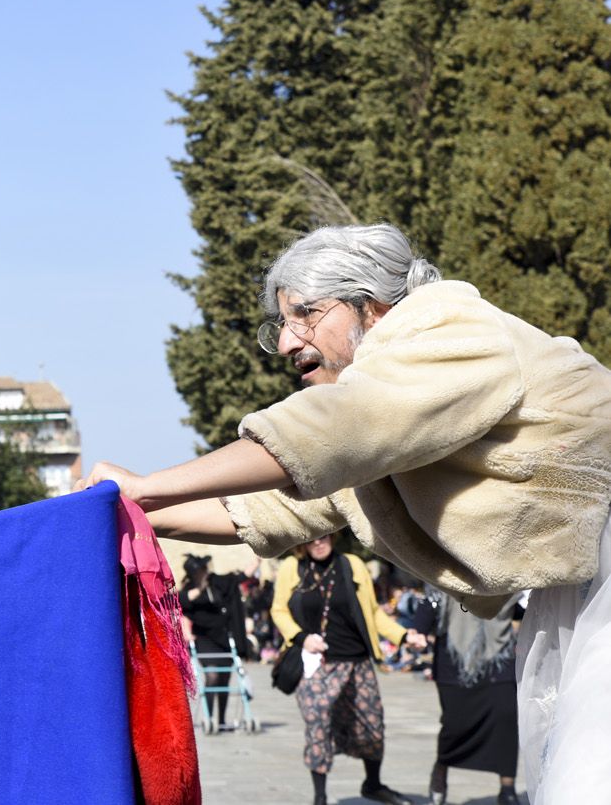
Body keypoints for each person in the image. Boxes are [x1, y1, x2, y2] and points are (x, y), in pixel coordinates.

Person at [84, 222, 611, 804]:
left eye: (305, 314)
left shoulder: (453, 328)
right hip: (576, 594)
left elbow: (333, 429)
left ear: (373, 303)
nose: (287, 343)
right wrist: (132, 512)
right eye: (282, 324)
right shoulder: (391, 415)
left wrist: (149, 485)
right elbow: (267, 509)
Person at [270, 533, 420, 804]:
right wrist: (303, 637)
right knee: (317, 723)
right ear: (302, 541)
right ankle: (320, 797)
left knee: (372, 725)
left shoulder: (351, 564)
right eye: (311, 537)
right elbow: (278, 611)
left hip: (357, 661)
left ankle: (372, 784)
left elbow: (373, 613)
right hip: (317, 664)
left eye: (324, 535)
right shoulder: (292, 567)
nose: (318, 541)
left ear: (333, 535)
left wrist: (403, 635)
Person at [413, 590, 524, 805]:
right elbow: (431, 601)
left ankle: (507, 788)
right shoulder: (446, 565)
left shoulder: (506, 565)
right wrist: (418, 631)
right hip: (454, 660)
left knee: (506, 716)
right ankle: (441, 769)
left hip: (497, 656)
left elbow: (521, 606)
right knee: (454, 724)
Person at [179, 553, 252, 731]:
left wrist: (255, 562)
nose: (204, 572)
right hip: (203, 638)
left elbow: (236, 579)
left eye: (204, 569)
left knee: (224, 679)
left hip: (222, 638)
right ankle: (209, 716)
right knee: (212, 675)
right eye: (200, 570)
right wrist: (200, 588)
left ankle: (221, 720)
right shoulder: (190, 588)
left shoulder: (217, 583)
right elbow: (183, 601)